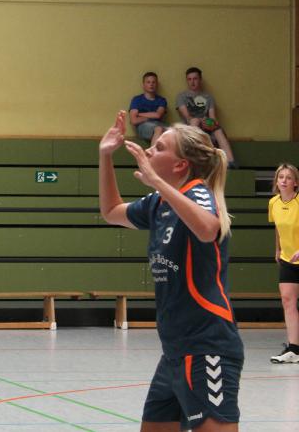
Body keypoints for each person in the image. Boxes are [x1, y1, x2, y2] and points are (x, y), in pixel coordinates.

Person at [99, 112, 243, 430]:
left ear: (180, 165)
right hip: (174, 351)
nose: (149, 150)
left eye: (160, 147)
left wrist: (156, 181)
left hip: (207, 348)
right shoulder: (157, 202)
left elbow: (207, 229)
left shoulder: (198, 192)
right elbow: (110, 211)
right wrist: (105, 156)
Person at [268, 163, 299, 363]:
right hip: (288, 259)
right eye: (281, 177)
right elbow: (278, 228)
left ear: (295, 182)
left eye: (288, 177)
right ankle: (294, 349)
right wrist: (278, 248)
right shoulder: (273, 203)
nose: (284, 181)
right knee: (288, 301)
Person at [175, 67, 236, 167]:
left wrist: (210, 122)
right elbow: (188, 117)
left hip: (205, 125)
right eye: (189, 79)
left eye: (195, 79)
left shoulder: (208, 97)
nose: (192, 82)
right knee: (195, 121)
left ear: (200, 80)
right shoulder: (181, 96)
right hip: (190, 126)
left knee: (218, 130)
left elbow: (213, 118)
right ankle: (193, 160)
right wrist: (200, 120)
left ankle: (230, 162)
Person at [130, 72, 169, 146]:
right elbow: (134, 120)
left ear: (157, 84)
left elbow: (158, 115)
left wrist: (139, 114)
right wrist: (148, 118)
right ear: (143, 85)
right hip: (143, 127)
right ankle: (152, 153)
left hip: (159, 124)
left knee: (175, 132)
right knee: (159, 129)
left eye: (153, 82)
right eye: (148, 82)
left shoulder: (162, 100)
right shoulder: (137, 100)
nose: (151, 84)